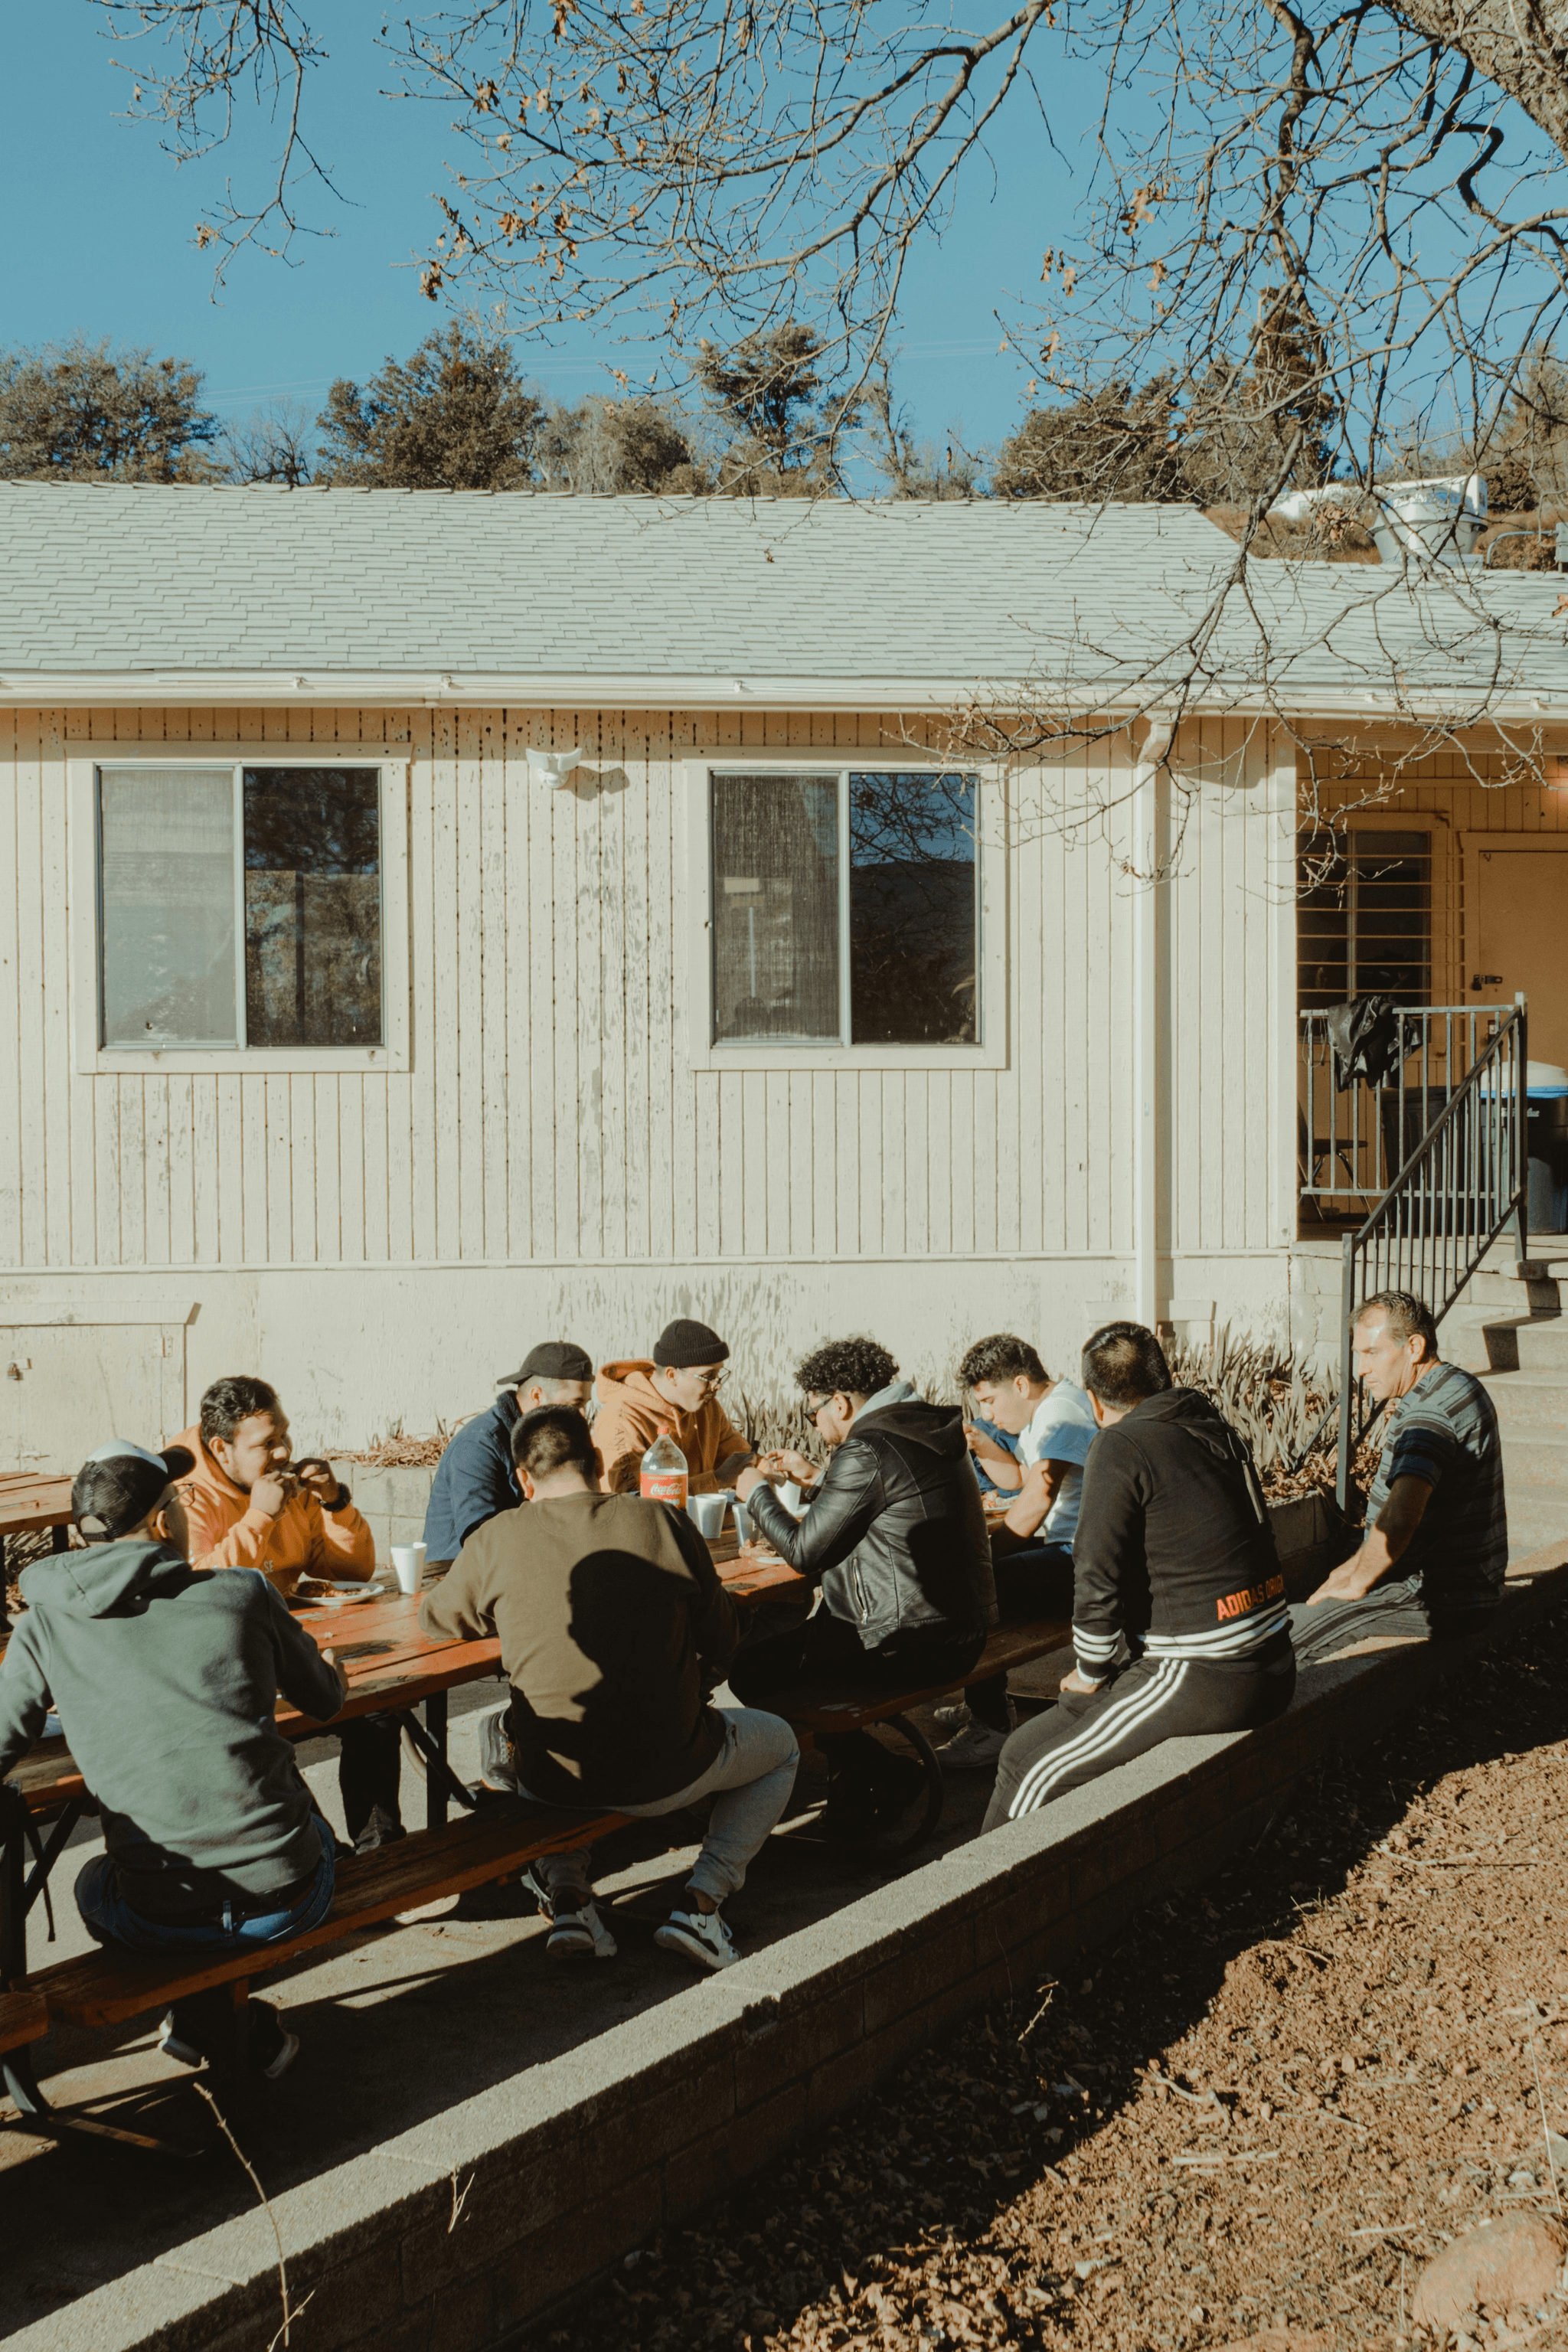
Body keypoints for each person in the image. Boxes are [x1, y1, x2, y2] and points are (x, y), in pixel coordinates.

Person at [0, 1439, 345, 2076]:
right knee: (311, 1827)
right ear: (163, 1522)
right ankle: (217, 2023)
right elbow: (324, 1702)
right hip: (286, 1898)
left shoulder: (42, 1625)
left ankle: (206, 2019)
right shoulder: (243, 1592)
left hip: (159, 1915)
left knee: (95, 1883)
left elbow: (2, 1741)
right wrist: (333, 1667)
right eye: (180, 1501)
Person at [420, 1404, 798, 1971]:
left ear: (523, 1479)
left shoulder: (496, 1537)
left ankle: (571, 1897)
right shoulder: (662, 1520)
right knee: (783, 1746)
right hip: (670, 1771)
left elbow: (437, 1619)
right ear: (597, 1461)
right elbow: (723, 1637)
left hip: (552, 1781)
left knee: (514, 1734)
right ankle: (702, 1902)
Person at [984, 1322, 1295, 1831]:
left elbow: (1095, 1572)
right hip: (1271, 1656)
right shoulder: (1214, 1427)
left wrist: (1090, 1671)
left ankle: (988, 1881)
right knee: (1023, 1745)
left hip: (1207, 1670)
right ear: (1161, 1378)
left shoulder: (1120, 1445)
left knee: (1030, 1770)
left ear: (1093, 1400)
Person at [731, 1338, 997, 1838]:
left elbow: (805, 1553)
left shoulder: (868, 1446)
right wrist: (815, 1483)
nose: (815, 1424)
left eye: (812, 1413)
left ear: (840, 1403)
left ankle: (882, 1770)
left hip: (903, 1645)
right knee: (810, 1643)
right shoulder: (922, 1427)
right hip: (960, 1635)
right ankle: (857, 1786)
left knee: (749, 1671)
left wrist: (756, 1493)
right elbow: (883, 1506)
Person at [175, 1376, 403, 1853]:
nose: (283, 1452)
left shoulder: (288, 1483)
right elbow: (199, 1595)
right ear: (221, 1449)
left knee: (376, 1703)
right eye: (267, 1443)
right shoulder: (184, 1499)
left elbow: (351, 1572)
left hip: (298, 1642)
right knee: (260, 1734)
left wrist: (335, 1503)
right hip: (227, 1664)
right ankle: (324, 1852)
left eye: (285, 1435)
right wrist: (259, 1518)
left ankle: (380, 1849)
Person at [1292, 1290, 1507, 1664]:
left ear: (1414, 1347)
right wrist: (1351, 1569)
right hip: (1466, 1587)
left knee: (1281, 1640)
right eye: (1359, 1354)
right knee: (1314, 1600)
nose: (1361, 1369)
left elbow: (1400, 1517)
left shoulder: (1428, 1416)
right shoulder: (1457, 1384)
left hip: (1432, 1597)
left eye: (1372, 1353)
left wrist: (1359, 1583)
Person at [939, 1334, 1100, 1769]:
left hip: (1079, 1563)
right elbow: (1019, 1480)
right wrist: (983, 1443)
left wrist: (984, 1558)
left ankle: (990, 1724)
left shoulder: (1060, 1412)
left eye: (990, 1401)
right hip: (1070, 1552)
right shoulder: (1045, 1411)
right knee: (976, 1578)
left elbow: (1038, 1497)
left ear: (1021, 1385)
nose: (988, 1414)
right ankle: (985, 1703)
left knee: (974, 1589)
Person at [421, 1341, 595, 1573]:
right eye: (575, 1404)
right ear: (537, 1395)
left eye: (586, 1405)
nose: (583, 1416)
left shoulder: (552, 1438)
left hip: (516, 1566)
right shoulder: (477, 1445)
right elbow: (480, 1539)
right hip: (456, 1576)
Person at [592, 1319, 756, 1494]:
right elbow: (631, 1500)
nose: (718, 1385)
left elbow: (739, 1458)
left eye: (719, 1374)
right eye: (709, 1376)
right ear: (672, 1375)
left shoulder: (706, 1407)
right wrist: (717, 1480)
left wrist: (768, 1465)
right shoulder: (620, 1420)